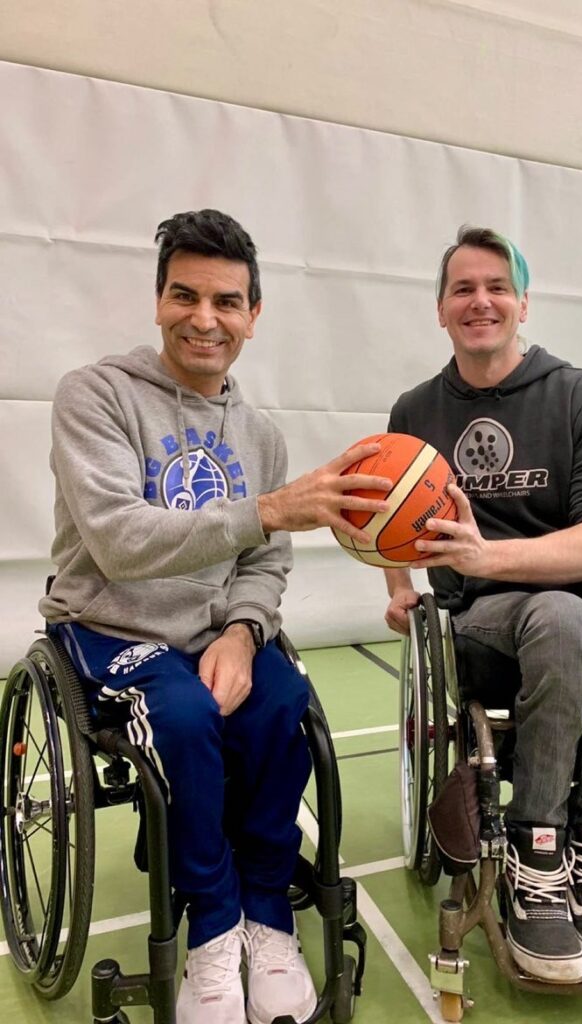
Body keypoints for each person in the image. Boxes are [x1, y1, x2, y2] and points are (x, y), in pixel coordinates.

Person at [41, 209, 395, 1024]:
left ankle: (265, 910)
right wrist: (267, 509)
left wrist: (241, 632)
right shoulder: (95, 396)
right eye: (185, 296)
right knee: (187, 717)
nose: (205, 319)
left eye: (227, 302)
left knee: (282, 705)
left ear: (253, 314)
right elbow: (121, 543)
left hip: (212, 628)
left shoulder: (258, 432)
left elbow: (265, 561)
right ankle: (211, 920)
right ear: (159, 300)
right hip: (112, 625)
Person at [382, 226, 582, 983]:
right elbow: (381, 516)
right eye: (464, 289)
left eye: (497, 287)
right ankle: (537, 856)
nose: (481, 301)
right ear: (441, 309)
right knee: (559, 616)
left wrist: (487, 552)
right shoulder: (414, 411)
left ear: (523, 303)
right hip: (482, 621)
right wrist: (400, 589)